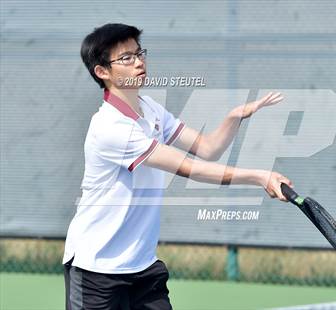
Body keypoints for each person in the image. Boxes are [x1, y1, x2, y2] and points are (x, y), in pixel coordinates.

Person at [63, 23, 293, 310]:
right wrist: (259, 176)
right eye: (126, 58)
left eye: (139, 53)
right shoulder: (110, 127)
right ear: (102, 72)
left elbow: (208, 148)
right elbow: (189, 168)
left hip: (143, 268)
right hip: (97, 269)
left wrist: (234, 116)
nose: (138, 62)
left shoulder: (151, 109)